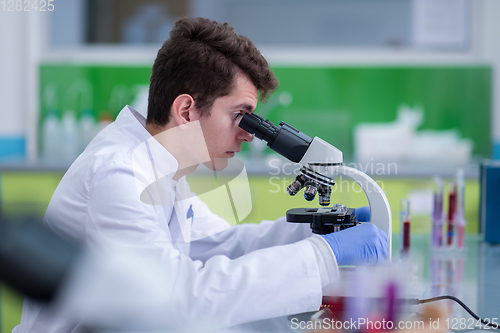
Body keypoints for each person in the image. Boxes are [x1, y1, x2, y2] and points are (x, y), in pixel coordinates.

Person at [14, 17, 388, 332]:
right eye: (240, 116)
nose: (247, 134)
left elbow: (220, 245)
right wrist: (323, 256)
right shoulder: (120, 174)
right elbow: (175, 299)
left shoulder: (161, 165)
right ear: (188, 111)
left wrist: (316, 229)